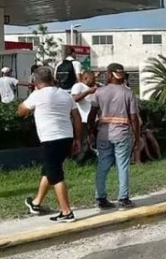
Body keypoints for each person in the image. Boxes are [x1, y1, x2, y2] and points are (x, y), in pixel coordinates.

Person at [18, 66, 83, 223]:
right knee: (49, 168)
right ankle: (36, 203)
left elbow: (21, 111)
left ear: (36, 81)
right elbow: (77, 117)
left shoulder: (37, 95)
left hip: (50, 139)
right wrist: (78, 139)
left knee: (55, 175)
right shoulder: (65, 95)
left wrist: (33, 97)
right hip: (66, 137)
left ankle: (66, 212)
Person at [88, 63, 141, 209]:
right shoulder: (128, 93)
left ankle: (100, 198)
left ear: (109, 74)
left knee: (103, 165)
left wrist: (90, 133)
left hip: (103, 134)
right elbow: (134, 117)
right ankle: (123, 199)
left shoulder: (99, 92)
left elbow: (91, 115)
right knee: (122, 166)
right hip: (122, 134)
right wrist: (137, 136)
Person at [70, 71, 98, 163]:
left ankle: (88, 159)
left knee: (90, 141)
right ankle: (78, 160)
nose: (94, 80)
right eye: (93, 79)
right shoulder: (78, 86)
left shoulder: (92, 88)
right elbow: (74, 99)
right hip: (82, 119)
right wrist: (87, 92)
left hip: (91, 119)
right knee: (83, 142)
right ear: (86, 78)